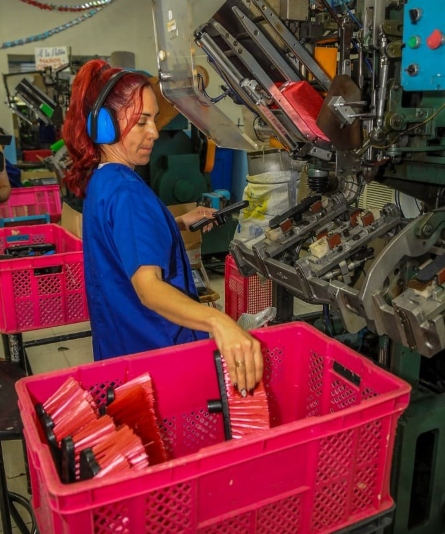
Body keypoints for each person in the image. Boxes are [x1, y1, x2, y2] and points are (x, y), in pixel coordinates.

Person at [62, 59, 263, 396]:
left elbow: (123, 237)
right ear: (105, 126)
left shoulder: (103, 181)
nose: (154, 132)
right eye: (141, 121)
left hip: (123, 353)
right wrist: (219, 322)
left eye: (153, 120)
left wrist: (178, 221)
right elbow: (149, 288)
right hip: (158, 358)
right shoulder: (128, 193)